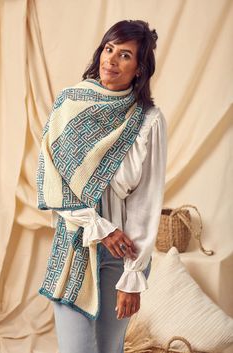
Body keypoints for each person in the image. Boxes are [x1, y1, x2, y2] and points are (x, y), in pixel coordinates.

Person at [36, 19, 167, 353]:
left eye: (125, 55)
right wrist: (100, 228)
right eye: (109, 49)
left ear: (139, 68)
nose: (111, 60)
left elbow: (146, 202)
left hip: (121, 257)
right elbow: (51, 178)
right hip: (74, 247)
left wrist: (132, 276)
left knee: (110, 349)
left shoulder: (147, 120)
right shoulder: (71, 104)